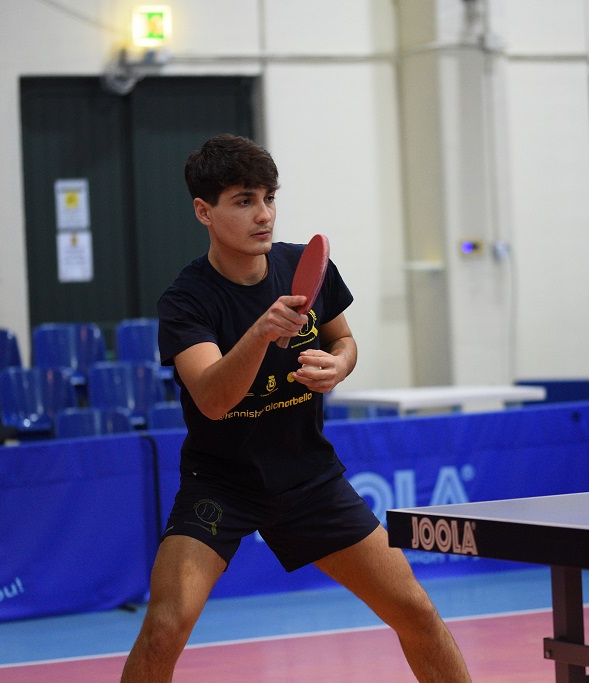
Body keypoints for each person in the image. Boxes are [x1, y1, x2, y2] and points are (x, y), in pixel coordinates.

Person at [120, 134, 471, 683]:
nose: (264, 214)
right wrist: (260, 333)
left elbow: (343, 340)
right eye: (244, 201)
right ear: (204, 211)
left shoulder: (304, 265)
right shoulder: (186, 300)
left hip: (309, 479)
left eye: (269, 198)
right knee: (164, 629)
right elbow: (213, 398)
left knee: (416, 611)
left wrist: (340, 365)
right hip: (222, 484)